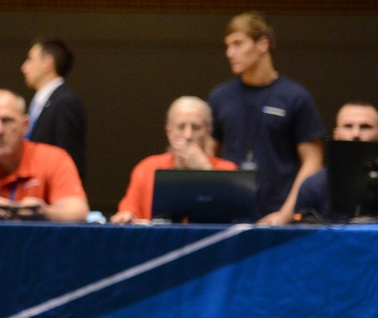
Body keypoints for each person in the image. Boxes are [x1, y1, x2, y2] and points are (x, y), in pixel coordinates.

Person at [208, 11, 326, 225]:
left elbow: (313, 161)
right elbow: (208, 155)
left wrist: (285, 214)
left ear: (263, 44)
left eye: (237, 44)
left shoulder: (295, 97)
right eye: (227, 46)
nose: (229, 53)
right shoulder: (219, 97)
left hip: (279, 214)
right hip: (228, 216)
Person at [0, 89, 88, 223]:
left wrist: (46, 214)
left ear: (25, 125)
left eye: (7, 120)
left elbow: (79, 211)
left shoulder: (54, 158)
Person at [110, 96, 238, 224]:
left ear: (208, 132)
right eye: (181, 127)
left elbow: (233, 222)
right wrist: (127, 219)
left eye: (196, 127)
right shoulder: (147, 168)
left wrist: (205, 169)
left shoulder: (228, 171)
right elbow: (128, 215)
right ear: (169, 132)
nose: (188, 135)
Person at [294, 101, 378, 222]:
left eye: (365, 127)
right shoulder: (313, 185)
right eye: (348, 126)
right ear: (336, 134)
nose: (356, 134)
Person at [20, 36, 86, 181]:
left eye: (30, 59)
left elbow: (68, 157)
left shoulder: (65, 101)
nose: (24, 67)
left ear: (47, 64)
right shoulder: (42, 101)